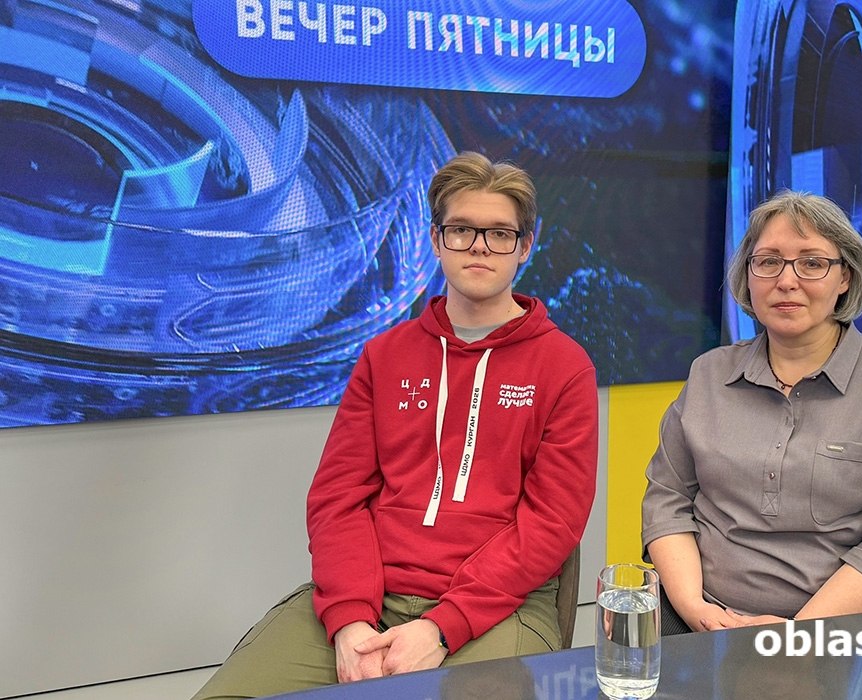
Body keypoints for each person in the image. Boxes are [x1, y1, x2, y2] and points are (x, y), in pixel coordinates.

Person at [193, 152, 599, 699]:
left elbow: (552, 522)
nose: (479, 246)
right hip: (370, 596)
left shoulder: (565, 367)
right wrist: (349, 621)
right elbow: (337, 498)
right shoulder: (384, 356)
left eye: (500, 233)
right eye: (461, 229)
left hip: (497, 607)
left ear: (526, 246)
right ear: (436, 240)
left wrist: (442, 627)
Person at [641, 190, 862, 633]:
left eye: (811, 263)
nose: (786, 281)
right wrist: (696, 610)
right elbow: (667, 501)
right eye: (768, 261)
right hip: (701, 616)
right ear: (748, 275)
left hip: (839, 627)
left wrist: (796, 635)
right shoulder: (709, 373)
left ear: (845, 277)